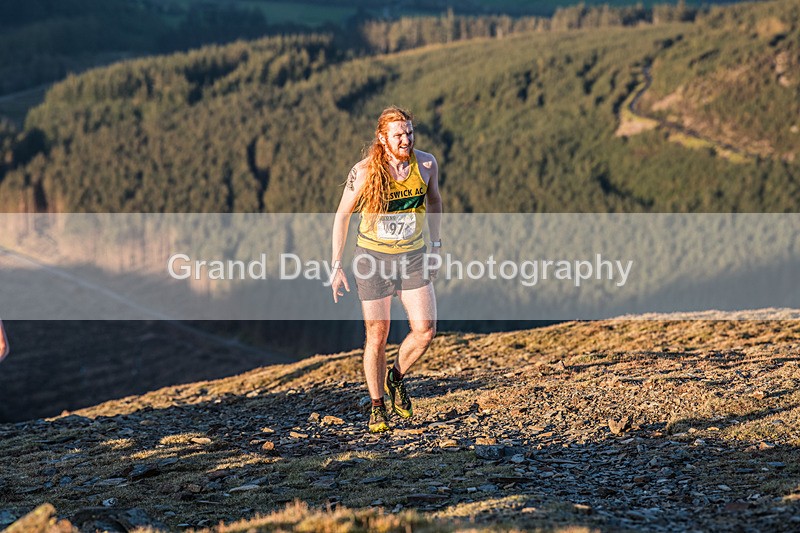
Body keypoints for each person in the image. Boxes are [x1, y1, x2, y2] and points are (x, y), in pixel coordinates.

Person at [331, 106, 442, 433]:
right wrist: (336, 265)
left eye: (409, 132)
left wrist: (435, 246)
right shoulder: (364, 172)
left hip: (413, 257)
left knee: (425, 330)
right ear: (382, 138)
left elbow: (434, 202)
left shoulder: (426, 164)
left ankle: (396, 377)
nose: (406, 139)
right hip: (372, 260)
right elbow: (342, 215)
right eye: (398, 135)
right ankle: (377, 406)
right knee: (377, 335)